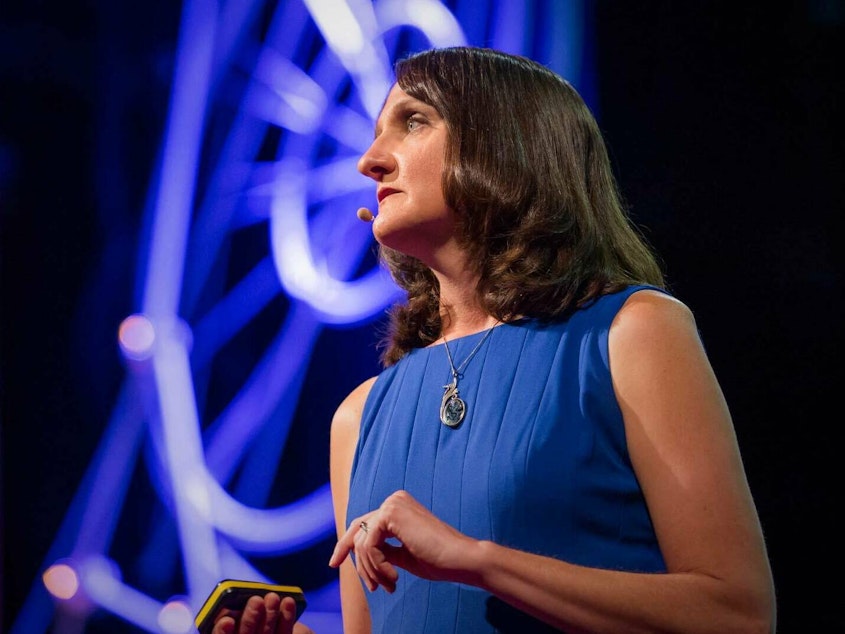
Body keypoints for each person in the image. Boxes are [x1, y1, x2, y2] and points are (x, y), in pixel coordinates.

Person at [218, 45, 777, 634]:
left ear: (506, 145)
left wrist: (477, 562)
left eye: (412, 122)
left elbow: (736, 614)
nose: (370, 161)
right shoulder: (356, 419)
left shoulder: (633, 332)